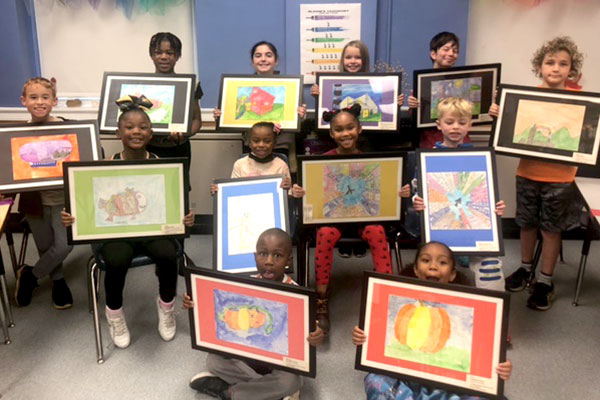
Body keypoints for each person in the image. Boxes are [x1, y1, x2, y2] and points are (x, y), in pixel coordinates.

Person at [61, 96, 195, 348]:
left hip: (154, 230)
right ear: (118, 132)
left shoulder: (164, 166)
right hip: (118, 232)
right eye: (129, 127)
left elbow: (175, 206)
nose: (136, 131)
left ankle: (166, 306)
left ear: (151, 133)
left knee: (168, 254)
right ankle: (114, 312)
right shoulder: (104, 168)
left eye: (143, 127)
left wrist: (186, 217)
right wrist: (73, 218)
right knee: (117, 259)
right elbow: (90, 208)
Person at [294, 104, 410, 335]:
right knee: (324, 235)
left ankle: (386, 295)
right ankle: (321, 299)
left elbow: (385, 192)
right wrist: (301, 192)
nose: (345, 133)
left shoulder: (373, 162)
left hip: (364, 217)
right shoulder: (321, 162)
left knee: (377, 232)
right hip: (333, 219)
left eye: (350, 128)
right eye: (339, 129)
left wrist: (399, 193)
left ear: (359, 129)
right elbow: (314, 194)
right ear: (331, 134)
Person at [490, 36, 585, 310]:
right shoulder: (524, 99)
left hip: (560, 178)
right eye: (550, 62)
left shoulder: (581, 101)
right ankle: (524, 267)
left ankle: (545, 280)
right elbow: (510, 131)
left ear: (571, 69)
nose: (556, 68)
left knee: (551, 230)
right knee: (526, 224)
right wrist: (501, 112)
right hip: (528, 173)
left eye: (563, 64)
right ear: (539, 67)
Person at [352, 241, 513, 399]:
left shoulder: (468, 307)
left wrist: (499, 367)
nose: (433, 266)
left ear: (452, 274)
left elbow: (483, 353)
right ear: (415, 269)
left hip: (450, 384)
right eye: (425, 260)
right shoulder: (397, 299)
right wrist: (363, 337)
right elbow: (379, 336)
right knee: (375, 380)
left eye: (442, 262)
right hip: (406, 377)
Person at [184, 228, 324, 400]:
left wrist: (316, 336)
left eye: (277, 256)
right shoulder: (243, 287)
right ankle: (272, 393)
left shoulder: (297, 295)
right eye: (263, 254)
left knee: (292, 381)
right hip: (247, 355)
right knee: (213, 361)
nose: (269, 261)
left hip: (278, 363)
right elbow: (218, 312)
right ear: (254, 256)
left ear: (289, 260)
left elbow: (310, 335)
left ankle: (229, 392)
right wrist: (195, 303)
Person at [311, 40, 405, 258]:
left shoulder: (376, 84)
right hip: (341, 152)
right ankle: (344, 239)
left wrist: (394, 104)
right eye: (349, 57)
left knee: (363, 190)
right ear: (342, 60)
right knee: (341, 189)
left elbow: (384, 111)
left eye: (357, 57)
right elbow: (328, 114)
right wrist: (319, 97)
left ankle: (361, 237)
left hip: (368, 147)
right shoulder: (331, 86)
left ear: (364, 60)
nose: (353, 61)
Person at [412, 98, 506, 291]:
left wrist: (495, 206)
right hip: (440, 226)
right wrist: (417, 200)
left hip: (472, 228)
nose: (456, 127)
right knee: (433, 265)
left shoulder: (479, 157)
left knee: (490, 263)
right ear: (439, 125)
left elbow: (484, 194)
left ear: (470, 125)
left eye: (462, 123)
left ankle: (492, 308)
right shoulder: (428, 157)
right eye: (449, 122)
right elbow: (416, 189)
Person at [14, 77, 74, 309]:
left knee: (63, 245)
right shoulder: (19, 135)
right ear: (23, 101)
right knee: (44, 243)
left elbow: (88, 153)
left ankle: (31, 275)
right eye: (33, 97)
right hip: (35, 202)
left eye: (45, 97)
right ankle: (58, 281)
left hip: (63, 201)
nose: (39, 102)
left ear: (55, 100)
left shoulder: (69, 127)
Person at [214, 41, 307, 157]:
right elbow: (235, 116)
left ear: (276, 61)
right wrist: (222, 115)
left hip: (280, 146)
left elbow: (296, 121)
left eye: (268, 55)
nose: (263, 59)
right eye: (258, 56)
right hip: (252, 146)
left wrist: (301, 117)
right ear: (253, 62)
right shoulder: (241, 87)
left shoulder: (292, 87)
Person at [407, 32, 472, 149]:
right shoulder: (422, 84)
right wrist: (413, 108)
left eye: (455, 51)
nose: (451, 54)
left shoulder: (464, 83)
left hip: (461, 144)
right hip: (431, 143)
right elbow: (415, 120)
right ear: (433, 54)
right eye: (446, 49)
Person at [209, 121, 303, 198]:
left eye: (267, 141)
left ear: (274, 144)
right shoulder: (240, 164)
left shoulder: (281, 165)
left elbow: (287, 195)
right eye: (256, 141)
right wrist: (219, 191)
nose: (261, 145)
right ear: (249, 143)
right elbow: (234, 191)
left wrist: (293, 191)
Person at [146, 32, 202, 161]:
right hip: (148, 147)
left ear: (177, 56)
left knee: (181, 181)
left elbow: (196, 120)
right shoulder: (141, 85)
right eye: (158, 52)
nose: (164, 57)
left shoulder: (191, 85)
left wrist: (185, 133)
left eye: (170, 53)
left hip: (179, 148)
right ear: (152, 55)